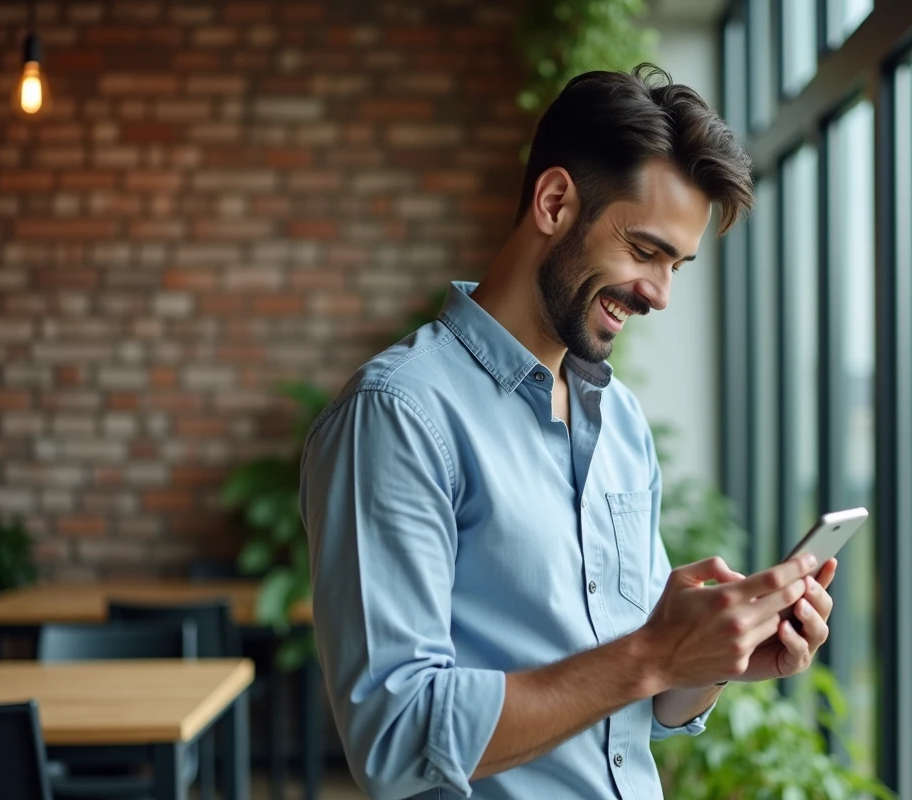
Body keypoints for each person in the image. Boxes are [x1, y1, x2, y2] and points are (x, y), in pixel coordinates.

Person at [299, 63, 838, 800]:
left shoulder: (621, 423)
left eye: (677, 264)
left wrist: (710, 661)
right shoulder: (399, 415)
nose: (660, 294)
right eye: (645, 251)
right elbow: (395, 737)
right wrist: (652, 653)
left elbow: (639, 712)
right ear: (554, 202)